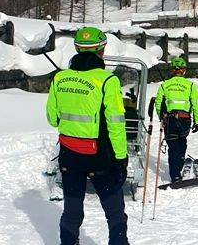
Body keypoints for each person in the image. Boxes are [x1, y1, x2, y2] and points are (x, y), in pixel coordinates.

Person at [46, 27, 129, 245]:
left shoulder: (59, 78)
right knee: (114, 212)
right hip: (101, 158)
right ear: (101, 50)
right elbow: (116, 124)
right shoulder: (108, 80)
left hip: (69, 156)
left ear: (77, 49)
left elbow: (53, 119)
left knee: (72, 212)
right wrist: (121, 158)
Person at [155, 57, 198, 183]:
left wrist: (161, 117)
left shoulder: (165, 85)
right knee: (182, 143)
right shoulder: (190, 85)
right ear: (183, 71)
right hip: (184, 120)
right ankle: (180, 164)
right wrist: (197, 121)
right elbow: (196, 104)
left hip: (169, 121)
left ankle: (175, 175)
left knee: (172, 147)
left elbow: (158, 103)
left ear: (173, 70)